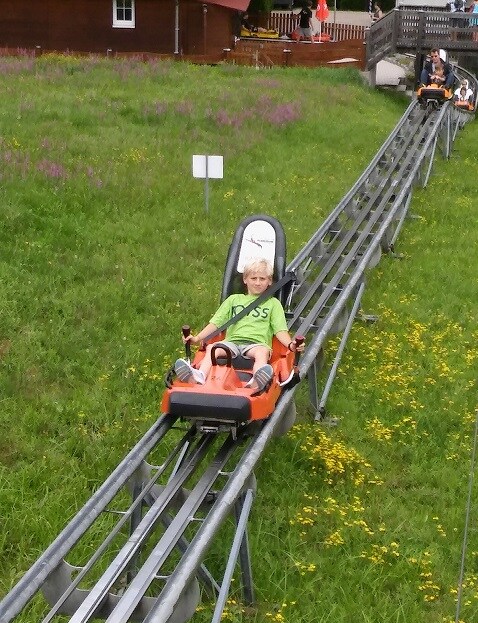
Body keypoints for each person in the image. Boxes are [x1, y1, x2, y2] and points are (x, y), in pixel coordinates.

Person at [174, 258, 304, 390]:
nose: (258, 283)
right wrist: (197, 339)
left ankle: (257, 380)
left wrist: (290, 345)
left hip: (257, 344)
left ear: (269, 281)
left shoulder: (273, 304)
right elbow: (215, 323)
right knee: (212, 347)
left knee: (262, 352)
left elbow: (280, 330)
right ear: (245, 280)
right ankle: (199, 375)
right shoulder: (233, 300)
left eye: (262, 279)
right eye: (254, 278)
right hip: (232, 343)